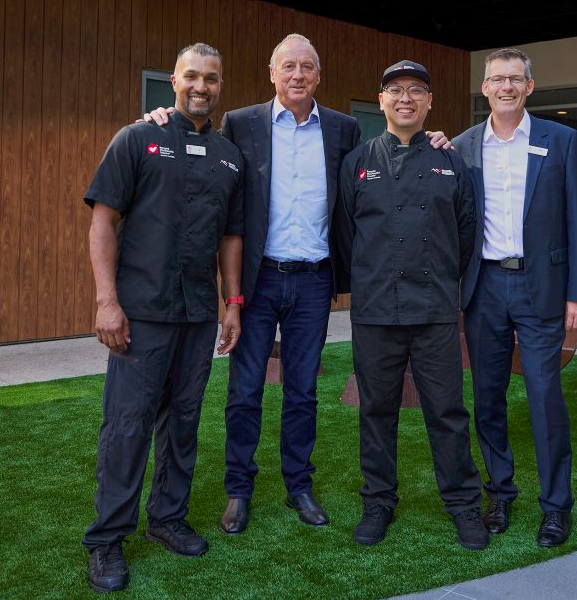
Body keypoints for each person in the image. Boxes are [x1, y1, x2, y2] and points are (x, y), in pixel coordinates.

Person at [147, 34, 450, 535]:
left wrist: (433, 139)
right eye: (288, 65)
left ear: (318, 75)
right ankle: (238, 490)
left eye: (307, 66)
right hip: (260, 280)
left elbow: (374, 176)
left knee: (303, 393)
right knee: (245, 391)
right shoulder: (241, 123)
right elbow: (210, 162)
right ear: (272, 73)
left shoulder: (343, 129)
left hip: (314, 283)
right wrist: (156, 118)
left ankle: (299, 487)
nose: (297, 75)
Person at [81, 42, 243, 593]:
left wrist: (231, 302)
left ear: (222, 85)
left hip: (198, 314)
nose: (202, 87)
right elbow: (103, 222)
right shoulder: (137, 138)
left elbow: (230, 236)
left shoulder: (228, 155)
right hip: (142, 312)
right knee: (127, 427)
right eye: (192, 76)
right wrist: (107, 301)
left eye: (212, 79)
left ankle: (167, 520)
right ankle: (107, 540)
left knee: (183, 422)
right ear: (174, 80)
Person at [337, 60, 488, 550]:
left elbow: (466, 234)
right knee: (376, 410)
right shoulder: (358, 160)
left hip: (435, 309)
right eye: (395, 90)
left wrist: (445, 282)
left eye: (416, 90)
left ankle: (464, 506)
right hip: (376, 308)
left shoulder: (451, 162)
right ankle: (378, 502)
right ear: (381, 100)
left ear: (429, 102)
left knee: (447, 411)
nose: (405, 98)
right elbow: (346, 234)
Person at [453, 48, 577, 547]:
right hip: (484, 288)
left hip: (542, 289)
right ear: (485, 88)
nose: (506, 87)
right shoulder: (464, 146)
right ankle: (500, 493)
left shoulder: (563, 141)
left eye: (516, 79)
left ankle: (556, 506)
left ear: (530, 87)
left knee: (544, 396)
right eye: (497, 80)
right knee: (488, 397)